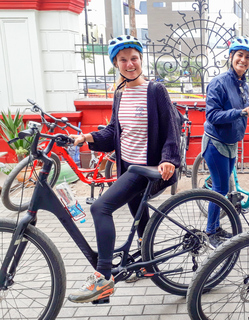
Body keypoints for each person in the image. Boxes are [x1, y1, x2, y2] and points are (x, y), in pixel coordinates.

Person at [67, 35, 180, 303]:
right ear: (116, 64)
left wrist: (169, 159)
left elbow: (171, 128)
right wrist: (88, 138)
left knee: (100, 208)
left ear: (141, 60)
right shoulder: (120, 93)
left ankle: (103, 278)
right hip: (126, 167)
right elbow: (114, 133)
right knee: (138, 216)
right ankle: (149, 265)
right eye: (123, 60)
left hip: (146, 169)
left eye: (134, 58)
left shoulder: (155, 90)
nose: (130, 64)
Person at [202, 36, 249, 247]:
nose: (243, 60)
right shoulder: (219, 82)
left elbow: (239, 107)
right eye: (240, 55)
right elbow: (213, 115)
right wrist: (241, 112)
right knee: (220, 189)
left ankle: (216, 226)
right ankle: (210, 233)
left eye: (248, 57)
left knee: (223, 188)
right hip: (216, 143)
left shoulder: (242, 83)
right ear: (231, 56)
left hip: (231, 142)